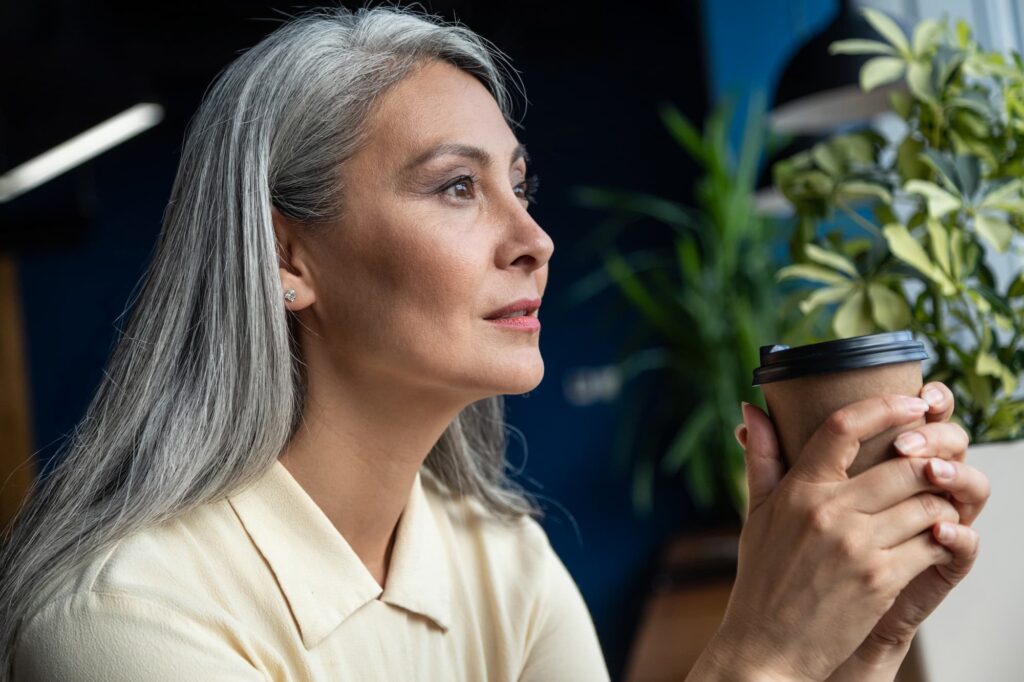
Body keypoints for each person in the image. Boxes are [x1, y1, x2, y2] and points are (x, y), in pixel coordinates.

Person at [0, 6, 989, 681]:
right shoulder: (118, 613)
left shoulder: (496, 558)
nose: (534, 240)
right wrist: (761, 650)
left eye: (519, 185)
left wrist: (853, 644)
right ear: (284, 254)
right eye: (455, 186)